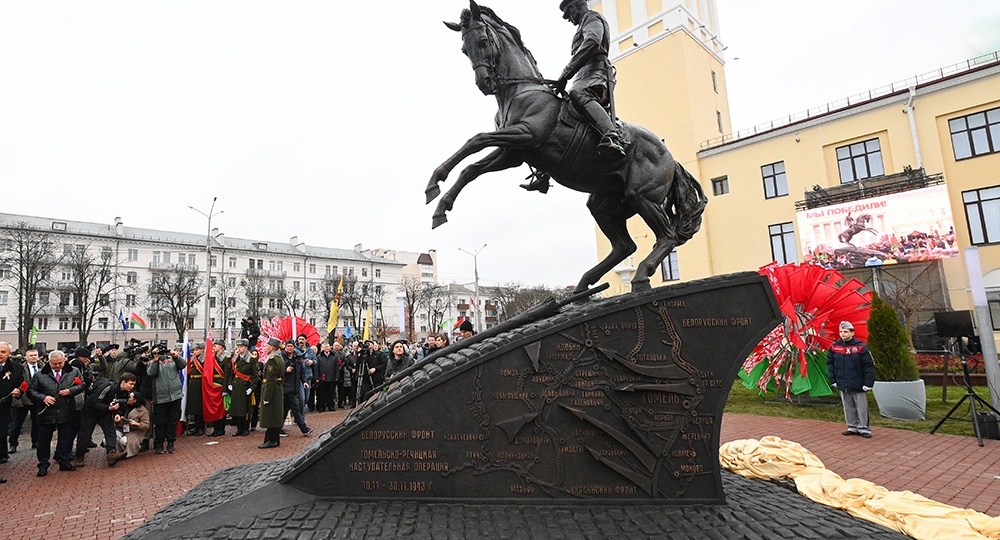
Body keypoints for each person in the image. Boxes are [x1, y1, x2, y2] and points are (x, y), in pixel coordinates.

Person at [522, 0, 625, 193]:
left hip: (596, 74)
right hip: (582, 76)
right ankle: (543, 173)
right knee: (556, 109)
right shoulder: (582, 24)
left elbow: (592, 42)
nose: (569, 18)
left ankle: (611, 137)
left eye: (569, 13)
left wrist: (566, 74)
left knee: (579, 94)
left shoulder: (592, 18)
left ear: (577, 6)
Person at [29, 350, 86, 476]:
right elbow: (31, 391)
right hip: (46, 412)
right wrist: (43, 398)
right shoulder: (39, 375)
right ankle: (43, 464)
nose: (57, 366)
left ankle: (64, 461)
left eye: (60, 363)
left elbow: (82, 384)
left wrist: (70, 391)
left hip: (66, 410)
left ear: (64, 360)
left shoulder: (74, 371)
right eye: (54, 363)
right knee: (44, 440)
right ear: (49, 362)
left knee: (65, 438)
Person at [828, 321, 876, 438]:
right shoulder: (834, 347)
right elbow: (830, 364)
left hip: (859, 383)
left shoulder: (860, 347)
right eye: (841, 331)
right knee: (848, 406)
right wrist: (833, 379)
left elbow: (869, 366)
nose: (843, 334)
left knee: (861, 407)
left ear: (852, 333)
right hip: (843, 382)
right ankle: (852, 426)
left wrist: (868, 383)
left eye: (845, 331)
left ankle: (864, 428)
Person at [146, 343, 186, 454]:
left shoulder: (172, 359)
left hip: (175, 396)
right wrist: (156, 359)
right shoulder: (152, 362)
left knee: (173, 421)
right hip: (160, 397)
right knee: (160, 422)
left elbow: (182, 365)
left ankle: (171, 443)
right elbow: (151, 372)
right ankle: (159, 444)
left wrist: (175, 356)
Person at [0, 342, 26, 482]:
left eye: (3, 352)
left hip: (4, 408)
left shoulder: (17, 368)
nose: (0, 354)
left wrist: (19, 392)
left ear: (9, 354)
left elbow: (22, 385)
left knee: (2, 433)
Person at [9, 347, 42, 454]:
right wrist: (17, 400)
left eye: (35, 355)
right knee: (17, 423)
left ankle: (35, 441)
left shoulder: (43, 367)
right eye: (31, 355)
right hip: (23, 399)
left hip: (37, 399)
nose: (33, 357)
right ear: (26, 357)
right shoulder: (20, 369)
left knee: (37, 422)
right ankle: (13, 444)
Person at [224, 339, 258, 437]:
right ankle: (239, 428)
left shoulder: (251, 359)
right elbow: (232, 373)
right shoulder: (236, 358)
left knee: (245, 409)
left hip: (245, 386)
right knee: (237, 409)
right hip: (236, 386)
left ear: (246, 347)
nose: (239, 348)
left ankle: (245, 428)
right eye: (238, 346)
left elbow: (255, 376)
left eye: (241, 347)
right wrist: (230, 383)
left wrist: (252, 388)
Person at [281, 341, 313, 437]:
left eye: (291, 346)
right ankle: (304, 428)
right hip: (286, 386)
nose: (289, 348)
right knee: (296, 408)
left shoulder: (297, 358)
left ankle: (277, 428)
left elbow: (301, 371)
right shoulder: (282, 357)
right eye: (288, 346)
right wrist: (285, 370)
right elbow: (278, 372)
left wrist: (304, 381)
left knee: (285, 408)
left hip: (295, 386)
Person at [258, 338, 285, 449]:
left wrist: (267, 397)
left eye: (268, 346)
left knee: (271, 416)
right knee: (274, 415)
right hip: (277, 389)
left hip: (272, 390)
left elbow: (270, 380)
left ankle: (272, 439)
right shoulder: (279, 358)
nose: (266, 347)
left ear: (273, 347)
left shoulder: (272, 360)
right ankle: (272, 438)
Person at [113, 391, 150, 460]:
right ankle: (117, 453)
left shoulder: (143, 411)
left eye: (130, 397)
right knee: (112, 438)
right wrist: (118, 417)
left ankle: (126, 452)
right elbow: (117, 413)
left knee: (123, 441)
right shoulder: (124, 406)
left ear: (135, 400)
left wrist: (137, 423)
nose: (127, 398)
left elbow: (146, 425)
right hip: (122, 428)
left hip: (135, 432)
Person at [185, 343, 206, 436]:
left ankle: (201, 427)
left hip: (199, 384)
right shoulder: (194, 359)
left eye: (197, 350)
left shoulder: (204, 360)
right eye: (194, 350)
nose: (195, 352)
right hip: (193, 384)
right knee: (194, 407)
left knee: (199, 407)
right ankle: (196, 426)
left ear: (202, 350)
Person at [314, 342, 340, 412]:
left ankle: (331, 406)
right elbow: (316, 368)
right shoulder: (319, 357)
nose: (326, 348)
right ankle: (322, 407)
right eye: (325, 347)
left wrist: (336, 377)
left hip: (331, 378)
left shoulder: (334, 356)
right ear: (322, 348)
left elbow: (337, 367)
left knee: (331, 393)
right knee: (322, 394)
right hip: (322, 378)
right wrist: (317, 378)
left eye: (327, 347)